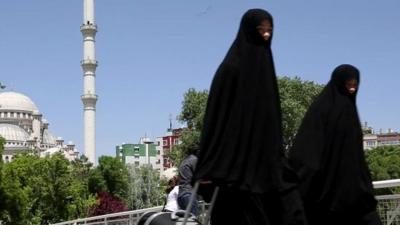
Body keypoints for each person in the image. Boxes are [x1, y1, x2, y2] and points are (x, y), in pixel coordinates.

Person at [193, 9, 307, 225]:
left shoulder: (265, 70)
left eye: (269, 31)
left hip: (267, 170)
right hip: (235, 175)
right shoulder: (230, 69)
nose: (266, 35)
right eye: (260, 30)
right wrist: (209, 166)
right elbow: (215, 122)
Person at [289, 64, 382, 225]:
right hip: (325, 196)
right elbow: (307, 151)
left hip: (355, 195)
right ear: (339, 83)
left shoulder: (351, 114)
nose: (352, 90)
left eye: (355, 85)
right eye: (348, 85)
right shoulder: (321, 110)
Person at [177, 143, 199, 216]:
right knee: (193, 221)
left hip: (181, 196)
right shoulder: (194, 160)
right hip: (189, 195)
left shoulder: (184, 161)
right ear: (197, 151)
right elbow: (200, 175)